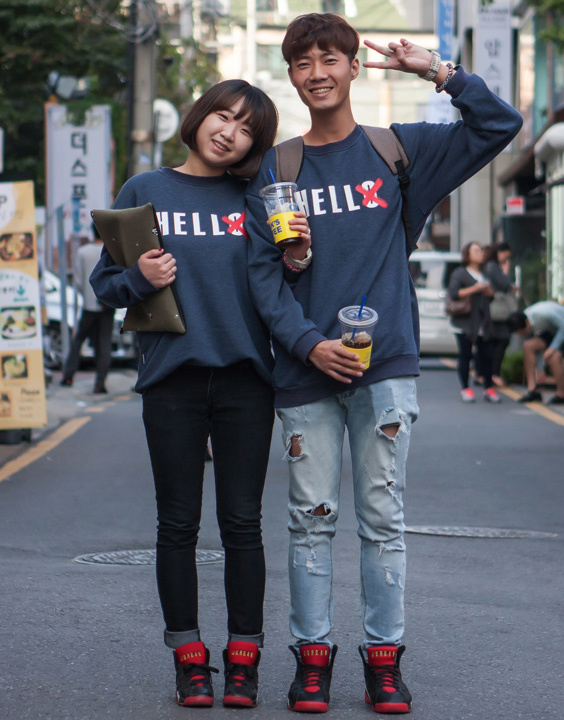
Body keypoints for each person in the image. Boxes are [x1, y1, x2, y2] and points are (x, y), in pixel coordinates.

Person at [244, 13, 522, 714]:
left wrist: (435, 70)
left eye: (329, 58)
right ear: (292, 76)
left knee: (382, 518)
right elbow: (262, 279)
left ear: (353, 67)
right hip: (307, 371)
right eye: (303, 62)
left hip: (388, 365)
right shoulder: (277, 168)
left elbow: (499, 126)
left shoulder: (399, 151)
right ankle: (312, 661)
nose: (317, 72)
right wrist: (310, 344)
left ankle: (384, 662)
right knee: (310, 516)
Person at [90, 80, 311, 709]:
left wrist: (297, 257)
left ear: (254, 145)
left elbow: (285, 280)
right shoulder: (145, 191)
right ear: (200, 116)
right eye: (223, 116)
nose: (229, 132)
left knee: (243, 524)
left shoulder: (259, 197)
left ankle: (244, 660)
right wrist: (138, 276)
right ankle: (189, 659)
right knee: (177, 524)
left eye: (246, 129)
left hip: (247, 379)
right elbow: (104, 286)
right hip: (172, 378)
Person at [60, 226, 115, 393]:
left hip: (89, 305)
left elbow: (78, 281)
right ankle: (100, 383)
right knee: (104, 342)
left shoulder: (83, 252)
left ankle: (68, 376)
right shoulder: (111, 251)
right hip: (108, 304)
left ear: (92, 232)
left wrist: (87, 296)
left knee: (78, 340)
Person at [448, 242, 501, 403]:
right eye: (476, 251)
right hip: (465, 323)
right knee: (465, 355)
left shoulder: (485, 273)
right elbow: (454, 293)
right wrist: (476, 288)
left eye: (480, 251)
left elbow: (491, 296)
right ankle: (465, 388)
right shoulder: (460, 273)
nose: (480, 254)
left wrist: (488, 292)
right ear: (468, 255)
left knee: (487, 356)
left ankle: (488, 387)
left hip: (483, 322)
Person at [507, 301, 564, 404]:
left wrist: (553, 348)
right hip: (552, 331)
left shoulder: (544, 314)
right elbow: (537, 348)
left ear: (527, 323)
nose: (522, 335)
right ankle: (533, 389)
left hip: (562, 329)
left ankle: (561, 394)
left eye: (522, 332)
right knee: (528, 346)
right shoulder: (526, 318)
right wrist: (540, 369)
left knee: (553, 358)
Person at [483, 241, 517, 387]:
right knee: (501, 341)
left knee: (495, 342)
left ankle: (488, 374)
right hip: (496, 312)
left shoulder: (491, 266)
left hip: (496, 312)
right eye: (506, 256)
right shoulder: (493, 267)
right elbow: (504, 284)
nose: (506, 260)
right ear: (499, 252)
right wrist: (506, 272)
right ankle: (492, 374)